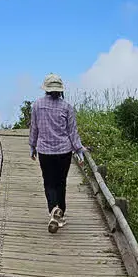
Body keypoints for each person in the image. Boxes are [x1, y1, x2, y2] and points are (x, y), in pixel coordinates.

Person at [29, 74, 85, 233]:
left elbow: (34, 128)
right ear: (60, 90)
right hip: (64, 151)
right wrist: (79, 150)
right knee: (61, 182)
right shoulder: (67, 107)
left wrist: (32, 146)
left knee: (48, 182)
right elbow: (72, 132)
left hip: (45, 151)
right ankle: (60, 211)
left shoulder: (37, 106)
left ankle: (53, 209)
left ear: (46, 89)